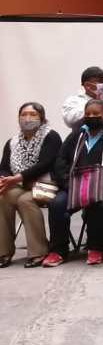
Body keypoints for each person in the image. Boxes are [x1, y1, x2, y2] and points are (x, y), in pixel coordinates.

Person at [43, 99, 103, 267]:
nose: (92, 117)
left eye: (96, 114)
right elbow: (61, 160)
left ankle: (95, 247)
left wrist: (96, 181)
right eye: (88, 114)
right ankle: (58, 250)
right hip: (73, 186)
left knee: (98, 201)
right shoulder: (77, 134)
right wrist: (67, 182)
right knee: (57, 203)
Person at [0, 103, 62, 268]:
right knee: (2, 196)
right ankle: (3, 251)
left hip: (48, 183)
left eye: (32, 115)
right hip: (20, 184)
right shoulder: (12, 142)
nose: (27, 118)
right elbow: (4, 166)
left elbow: (46, 163)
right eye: (24, 114)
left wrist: (19, 177)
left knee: (26, 200)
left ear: (41, 118)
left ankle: (39, 251)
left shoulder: (51, 136)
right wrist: (4, 178)